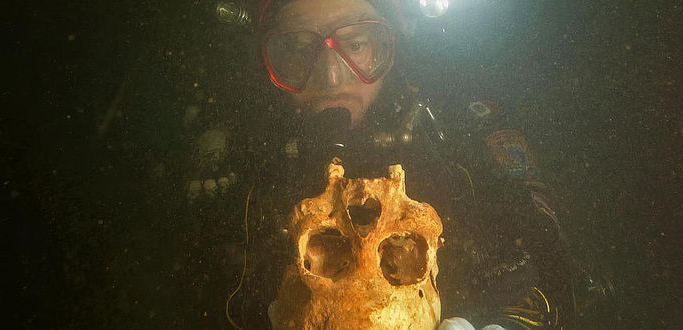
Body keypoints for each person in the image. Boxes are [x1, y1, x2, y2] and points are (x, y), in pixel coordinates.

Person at [187, 0, 581, 328]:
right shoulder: (240, 155)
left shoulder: (454, 127)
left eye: (356, 45)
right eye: (296, 49)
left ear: (391, 45)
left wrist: (508, 323)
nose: (330, 76)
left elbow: (555, 264)